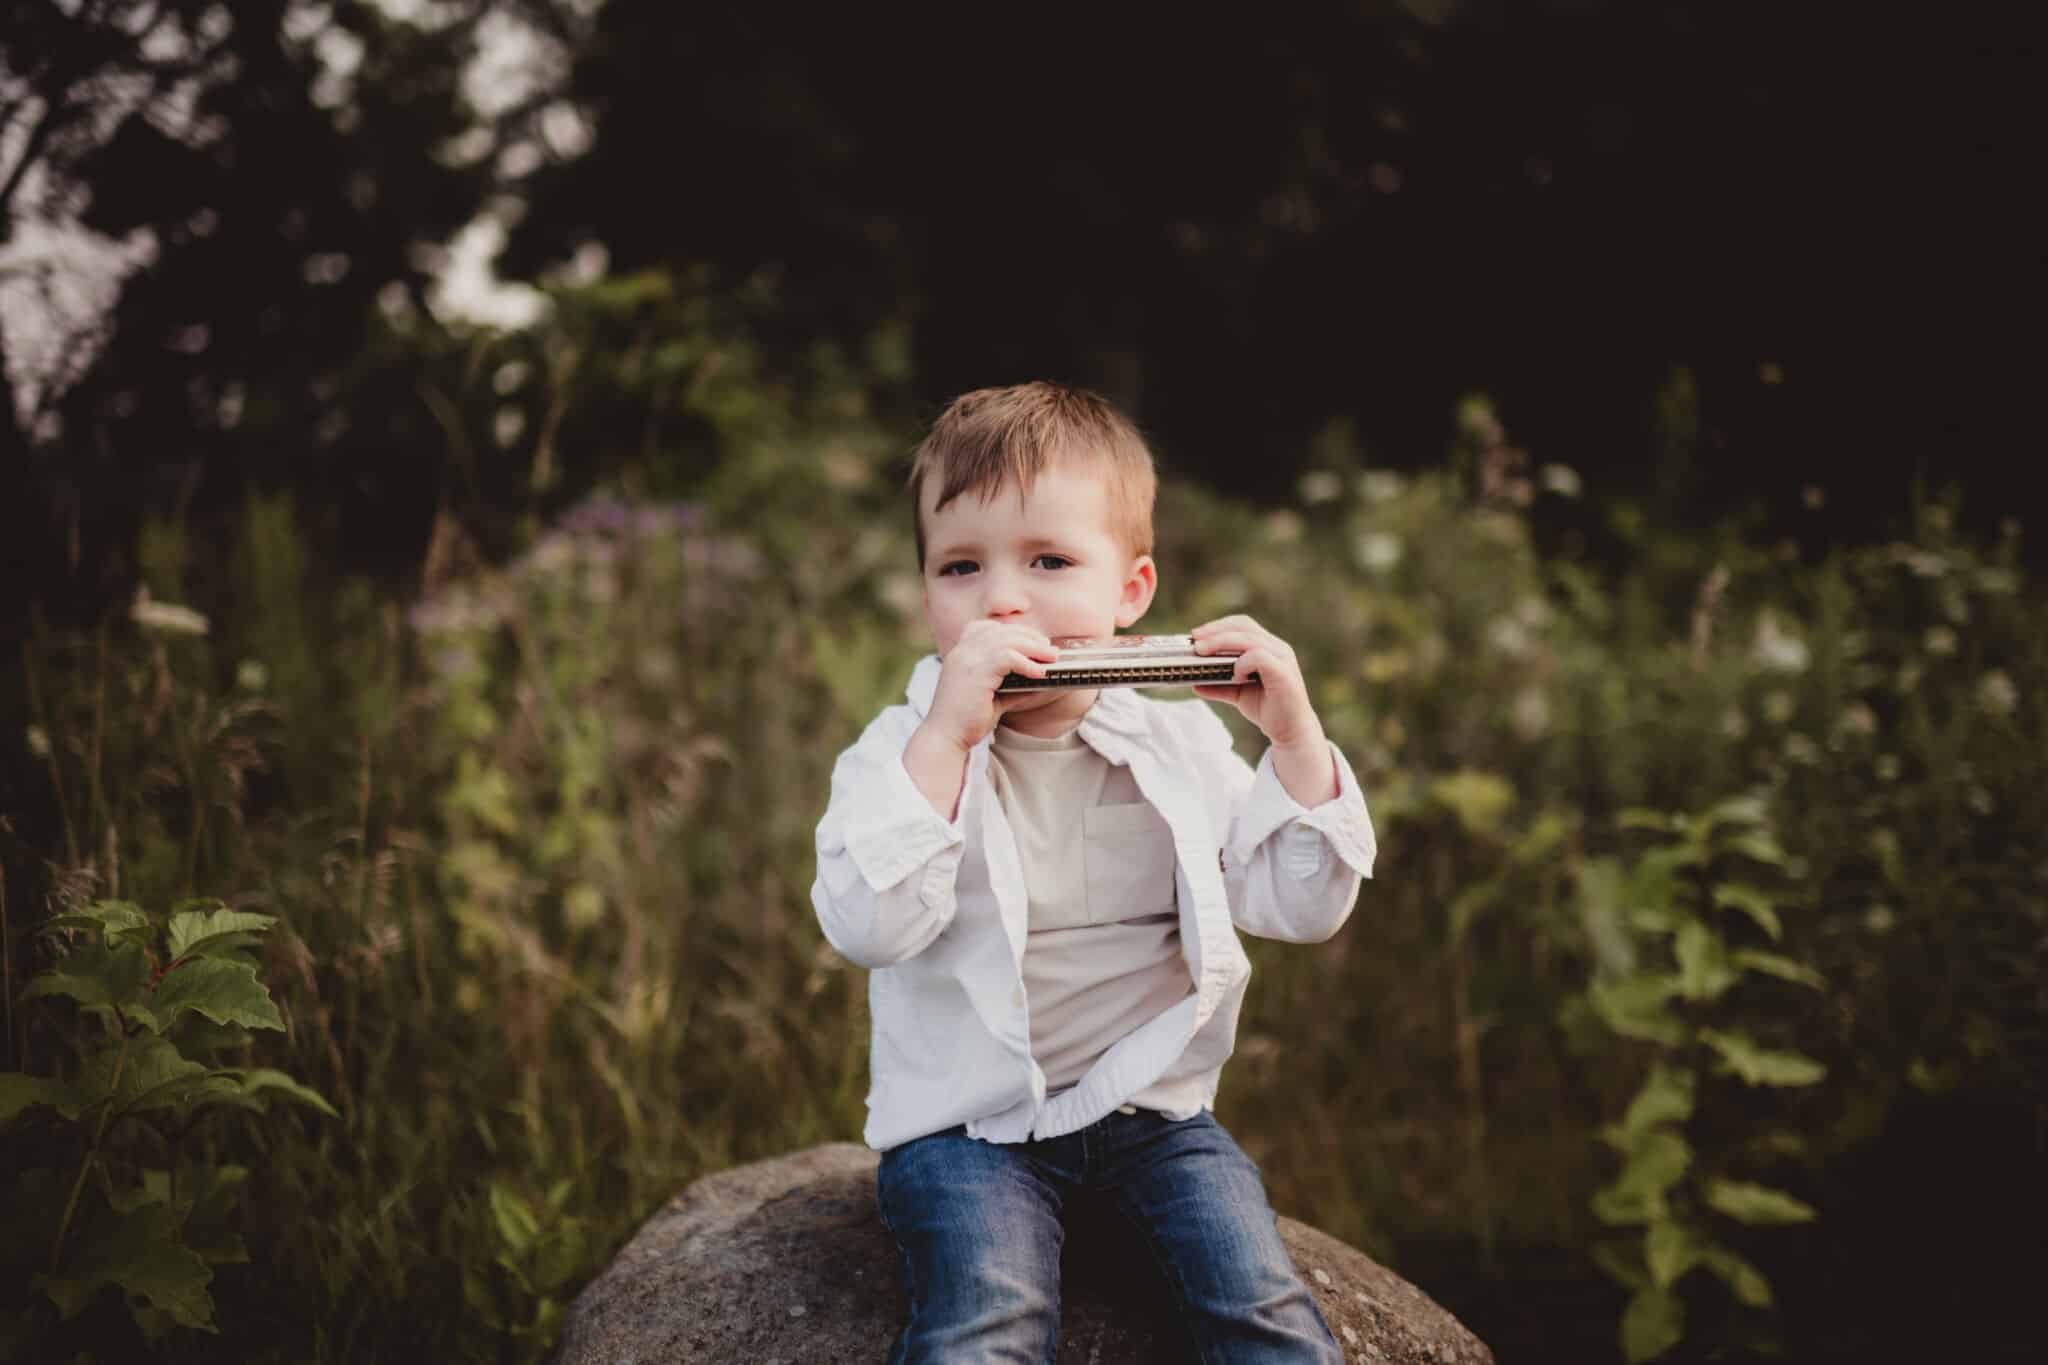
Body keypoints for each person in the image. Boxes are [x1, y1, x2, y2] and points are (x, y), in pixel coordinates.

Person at [811, 381, 1377, 1363]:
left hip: (1152, 1118)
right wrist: (949, 736)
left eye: (1047, 560)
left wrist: (1292, 736)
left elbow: (1294, 905)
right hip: (968, 1135)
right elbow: (868, 925)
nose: (1000, 597)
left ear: (1130, 592)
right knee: (986, 1321)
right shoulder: (897, 751)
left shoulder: (1175, 736)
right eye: (958, 566)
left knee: (1264, 1313)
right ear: (925, 599)